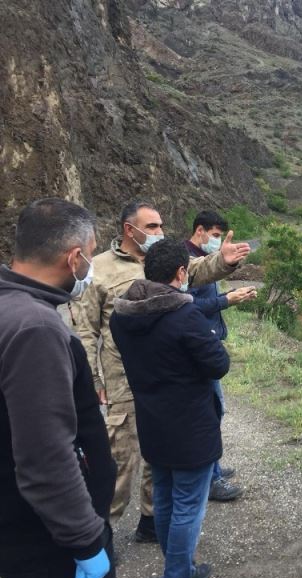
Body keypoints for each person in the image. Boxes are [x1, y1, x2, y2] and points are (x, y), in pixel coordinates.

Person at [72, 201, 249, 543]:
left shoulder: (160, 261)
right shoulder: (100, 270)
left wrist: (222, 261)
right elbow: (85, 331)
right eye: (152, 227)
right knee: (120, 458)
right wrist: (93, 381)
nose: (159, 233)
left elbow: (195, 270)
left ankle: (151, 522)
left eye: (160, 226)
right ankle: (101, 533)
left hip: (162, 379)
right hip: (123, 379)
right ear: (129, 229)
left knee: (160, 456)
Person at [0, 198, 117, 578]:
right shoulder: (35, 328)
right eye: (91, 252)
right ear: (74, 257)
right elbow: (45, 454)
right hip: (52, 543)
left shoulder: (11, 308)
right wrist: (86, 541)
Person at [110, 239, 228, 578]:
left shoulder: (122, 315)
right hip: (191, 427)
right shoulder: (184, 315)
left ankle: (182, 571)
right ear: (181, 273)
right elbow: (218, 364)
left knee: (163, 497)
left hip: (153, 421)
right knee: (188, 507)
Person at [185, 211, 257, 502]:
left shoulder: (205, 260)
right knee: (210, 413)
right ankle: (210, 479)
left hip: (208, 342)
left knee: (214, 410)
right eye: (214, 236)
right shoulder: (186, 262)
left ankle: (213, 468)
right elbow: (189, 306)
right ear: (199, 231)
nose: (217, 242)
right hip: (197, 347)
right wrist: (228, 299)